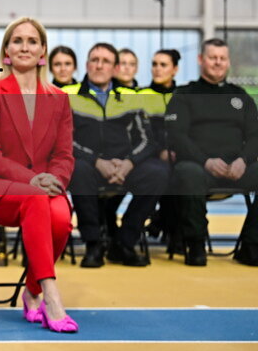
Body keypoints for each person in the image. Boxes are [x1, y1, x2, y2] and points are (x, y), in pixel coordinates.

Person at [0, 17, 77, 333]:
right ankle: (51, 296)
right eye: (18, 40)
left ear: (42, 52)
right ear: (6, 51)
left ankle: (31, 291)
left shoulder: (59, 98)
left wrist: (56, 180)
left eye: (32, 41)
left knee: (62, 219)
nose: (25, 46)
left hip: (44, 187)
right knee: (36, 198)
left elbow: (64, 155)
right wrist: (32, 180)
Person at [64, 43, 169, 267]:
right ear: (86, 65)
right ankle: (93, 244)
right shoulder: (69, 97)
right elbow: (64, 140)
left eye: (105, 61)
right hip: (88, 165)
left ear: (115, 68)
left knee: (159, 173)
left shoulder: (131, 98)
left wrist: (129, 163)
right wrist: (96, 161)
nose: (99, 65)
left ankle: (124, 242)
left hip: (124, 166)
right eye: (94, 60)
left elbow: (147, 140)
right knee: (77, 170)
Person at [166, 38, 258, 267]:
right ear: (201, 60)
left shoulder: (241, 96)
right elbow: (177, 136)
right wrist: (205, 161)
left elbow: (255, 135)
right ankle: (195, 245)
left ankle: (251, 245)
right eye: (212, 57)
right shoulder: (184, 94)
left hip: (238, 168)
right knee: (187, 172)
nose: (218, 62)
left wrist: (244, 160)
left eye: (222, 58)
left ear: (228, 62)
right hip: (199, 168)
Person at [137, 49, 181, 249]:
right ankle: (170, 228)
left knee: (182, 171)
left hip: (179, 156)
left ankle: (163, 222)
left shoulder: (182, 97)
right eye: (154, 64)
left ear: (175, 70)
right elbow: (142, 133)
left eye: (163, 65)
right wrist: (160, 151)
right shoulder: (142, 95)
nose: (157, 69)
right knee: (163, 172)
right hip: (152, 156)